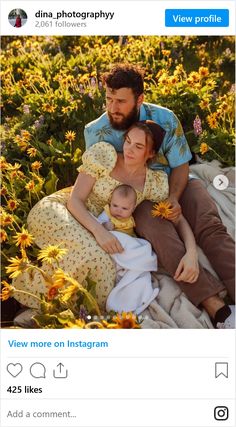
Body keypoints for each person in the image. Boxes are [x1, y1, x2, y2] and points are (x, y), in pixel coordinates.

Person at [84, 63, 235, 328]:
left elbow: (180, 165)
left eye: (121, 101)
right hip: (140, 197)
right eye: (108, 98)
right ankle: (218, 309)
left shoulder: (165, 117)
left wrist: (175, 198)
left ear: (139, 99)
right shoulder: (95, 132)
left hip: (177, 183)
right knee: (164, 238)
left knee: (210, 226)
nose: (112, 107)